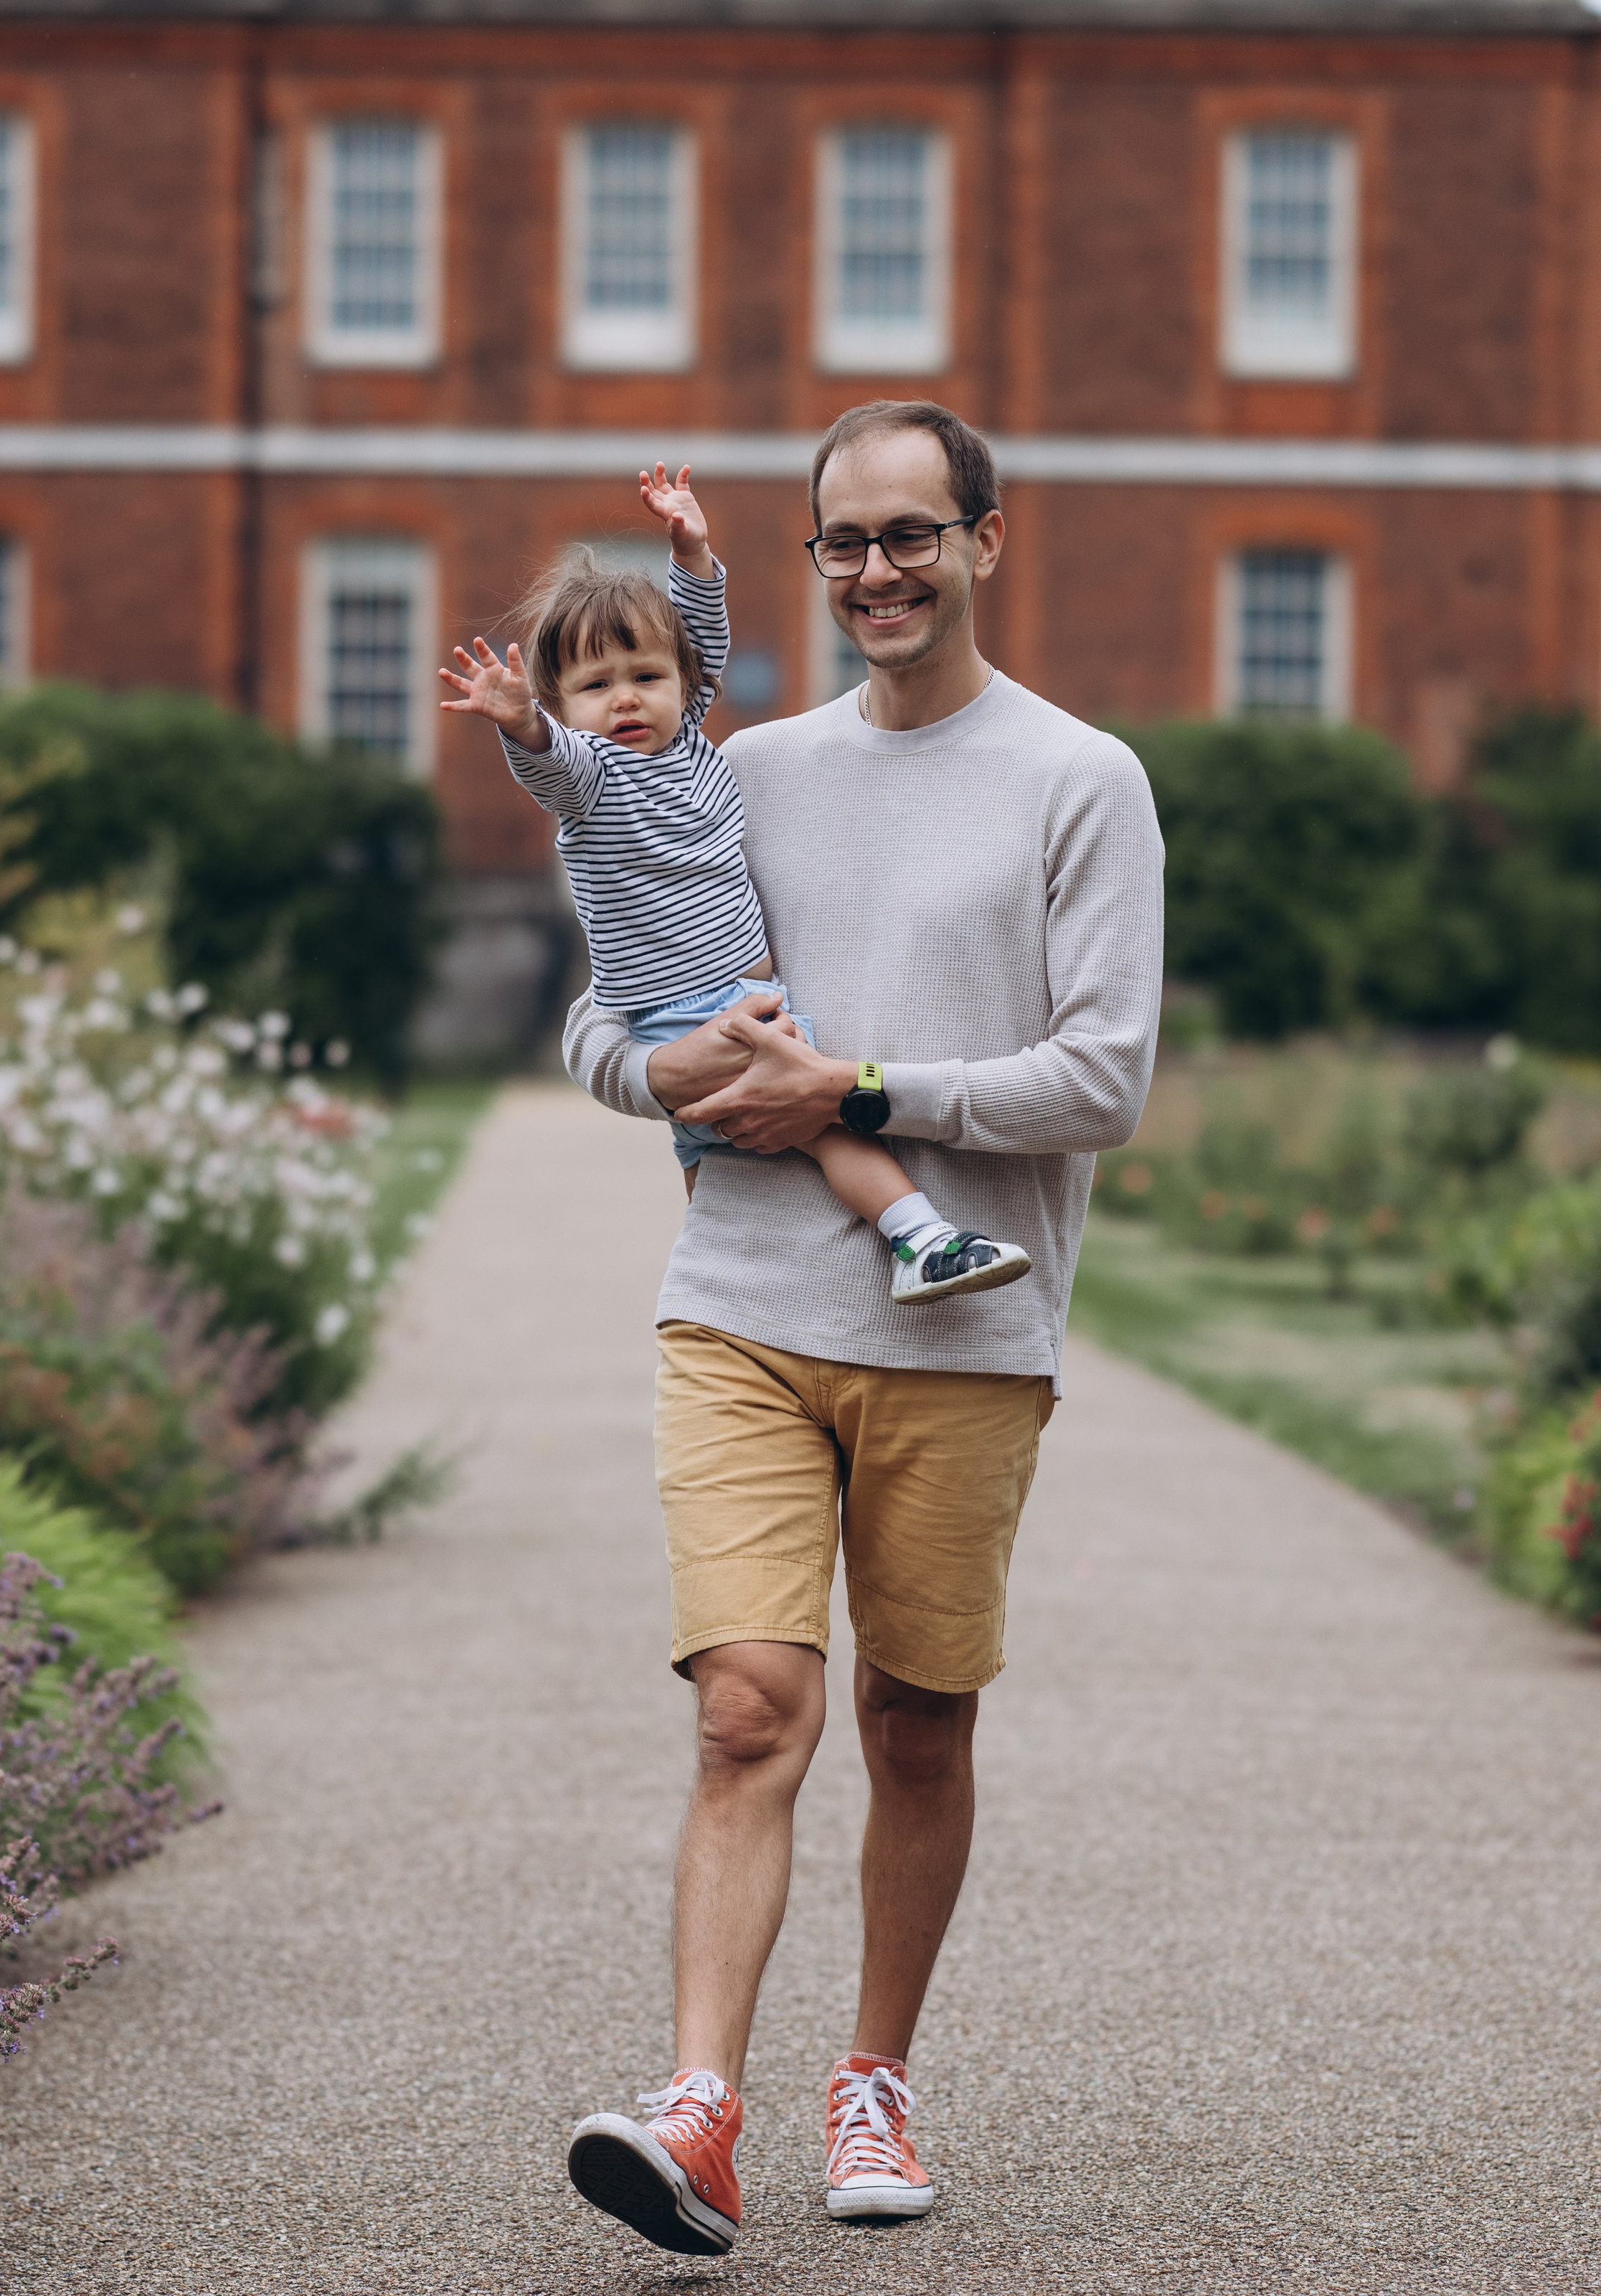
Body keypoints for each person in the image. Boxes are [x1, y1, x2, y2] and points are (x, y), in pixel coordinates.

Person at [558, 400, 1165, 2256]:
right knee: (751, 1711)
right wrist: (664, 1071)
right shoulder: (750, 768)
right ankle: (700, 2111)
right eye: (845, 543)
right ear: (810, 565)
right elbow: (608, 1012)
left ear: (990, 540)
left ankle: (874, 2076)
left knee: (914, 1723)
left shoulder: (1082, 779)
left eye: (914, 534)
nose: (879, 571)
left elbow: (1106, 1076)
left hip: (966, 1333)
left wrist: (867, 1092)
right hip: (738, 1309)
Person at [438, 461, 1032, 1308]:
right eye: (594, 688)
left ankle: (725, 1306)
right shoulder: (592, 776)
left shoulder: (686, 742)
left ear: (682, 683)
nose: (625, 702)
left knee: (711, 1178)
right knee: (828, 1123)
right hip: (696, 1008)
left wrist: (692, 548)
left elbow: (701, 637)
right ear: (565, 706)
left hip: (727, 997)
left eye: (645, 677)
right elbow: (548, 759)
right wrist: (523, 721)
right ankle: (922, 1237)